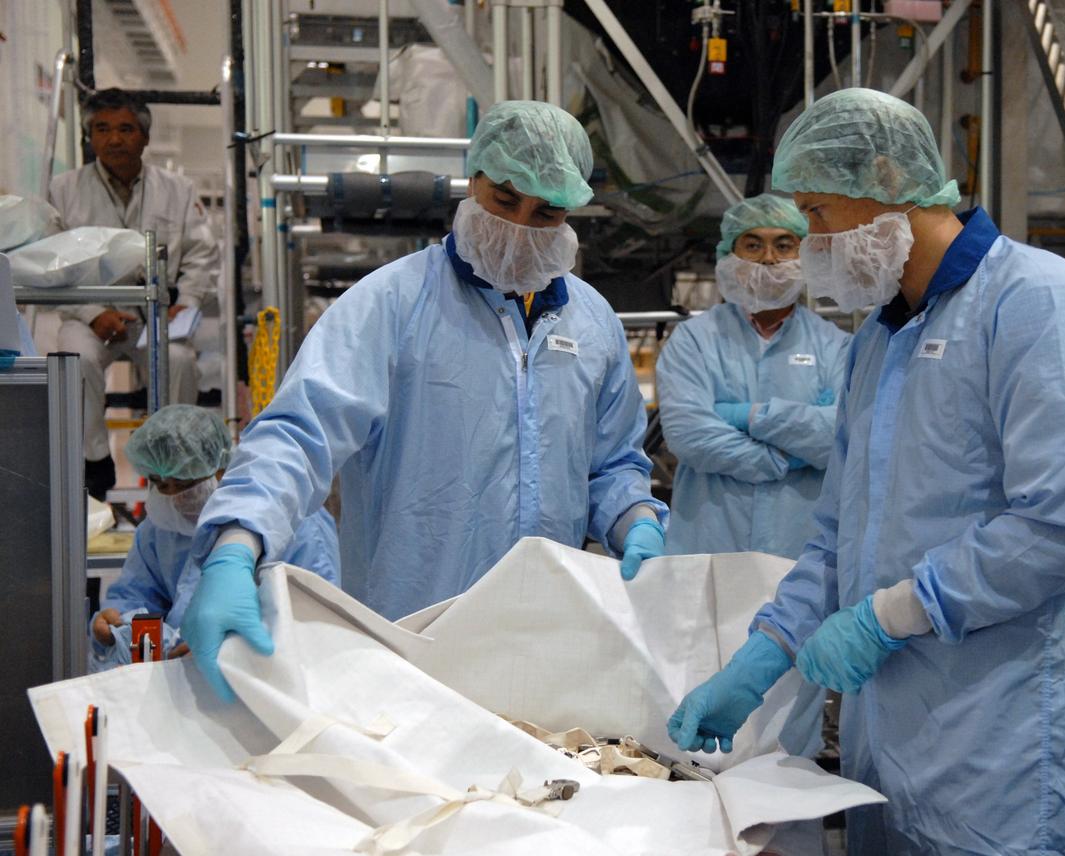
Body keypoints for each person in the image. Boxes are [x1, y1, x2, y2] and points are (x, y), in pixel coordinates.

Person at [667, 88, 1065, 854]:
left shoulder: (1036, 301)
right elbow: (842, 532)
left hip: (1000, 740)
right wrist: (764, 654)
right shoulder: (883, 336)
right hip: (890, 740)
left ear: (884, 177)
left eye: (816, 213)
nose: (808, 245)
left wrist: (892, 615)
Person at [179, 101, 668, 702]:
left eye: (547, 212)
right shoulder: (391, 303)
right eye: (504, 200)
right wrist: (236, 543)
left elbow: (612, 463)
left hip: (544, 634)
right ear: (473, 181)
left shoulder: (592, 323)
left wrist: (635, 521)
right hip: (409, 633)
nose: (520, 224)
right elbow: (300, 434)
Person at [658, 194, 850, 558]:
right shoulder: (694, 340)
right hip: (708, 544)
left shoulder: (835, 346)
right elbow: (689, 434)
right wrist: (786, 457)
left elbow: (838, 436)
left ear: (806, 253)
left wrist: (743, 415)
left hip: (801, 549)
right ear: (730, 255)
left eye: (784, 244)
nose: (768, 258)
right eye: (752, 244)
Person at [49, 88, 218, 500]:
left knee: (178, 360)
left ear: (144, 137)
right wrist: (92, 312)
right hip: (88, 314)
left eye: (125, 129)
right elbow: (53, 260)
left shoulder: (176, 190)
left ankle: (173, 461)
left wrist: (187, 303)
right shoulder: (64, 189)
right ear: (90, 137)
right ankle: (93, 462)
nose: (114, 139)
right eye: (102, 129)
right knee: (74, 359)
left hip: (154, 314)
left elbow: (201, 254)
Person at [89, 405, 339, 672]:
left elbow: (315, 623)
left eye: (184, 483)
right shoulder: (160, 528)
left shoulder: (295, 523)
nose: (174, 497)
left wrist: (234, 648)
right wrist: (114, 623)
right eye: (160, 484)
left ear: (221, 467)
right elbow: (135, 595)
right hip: (181, 680)